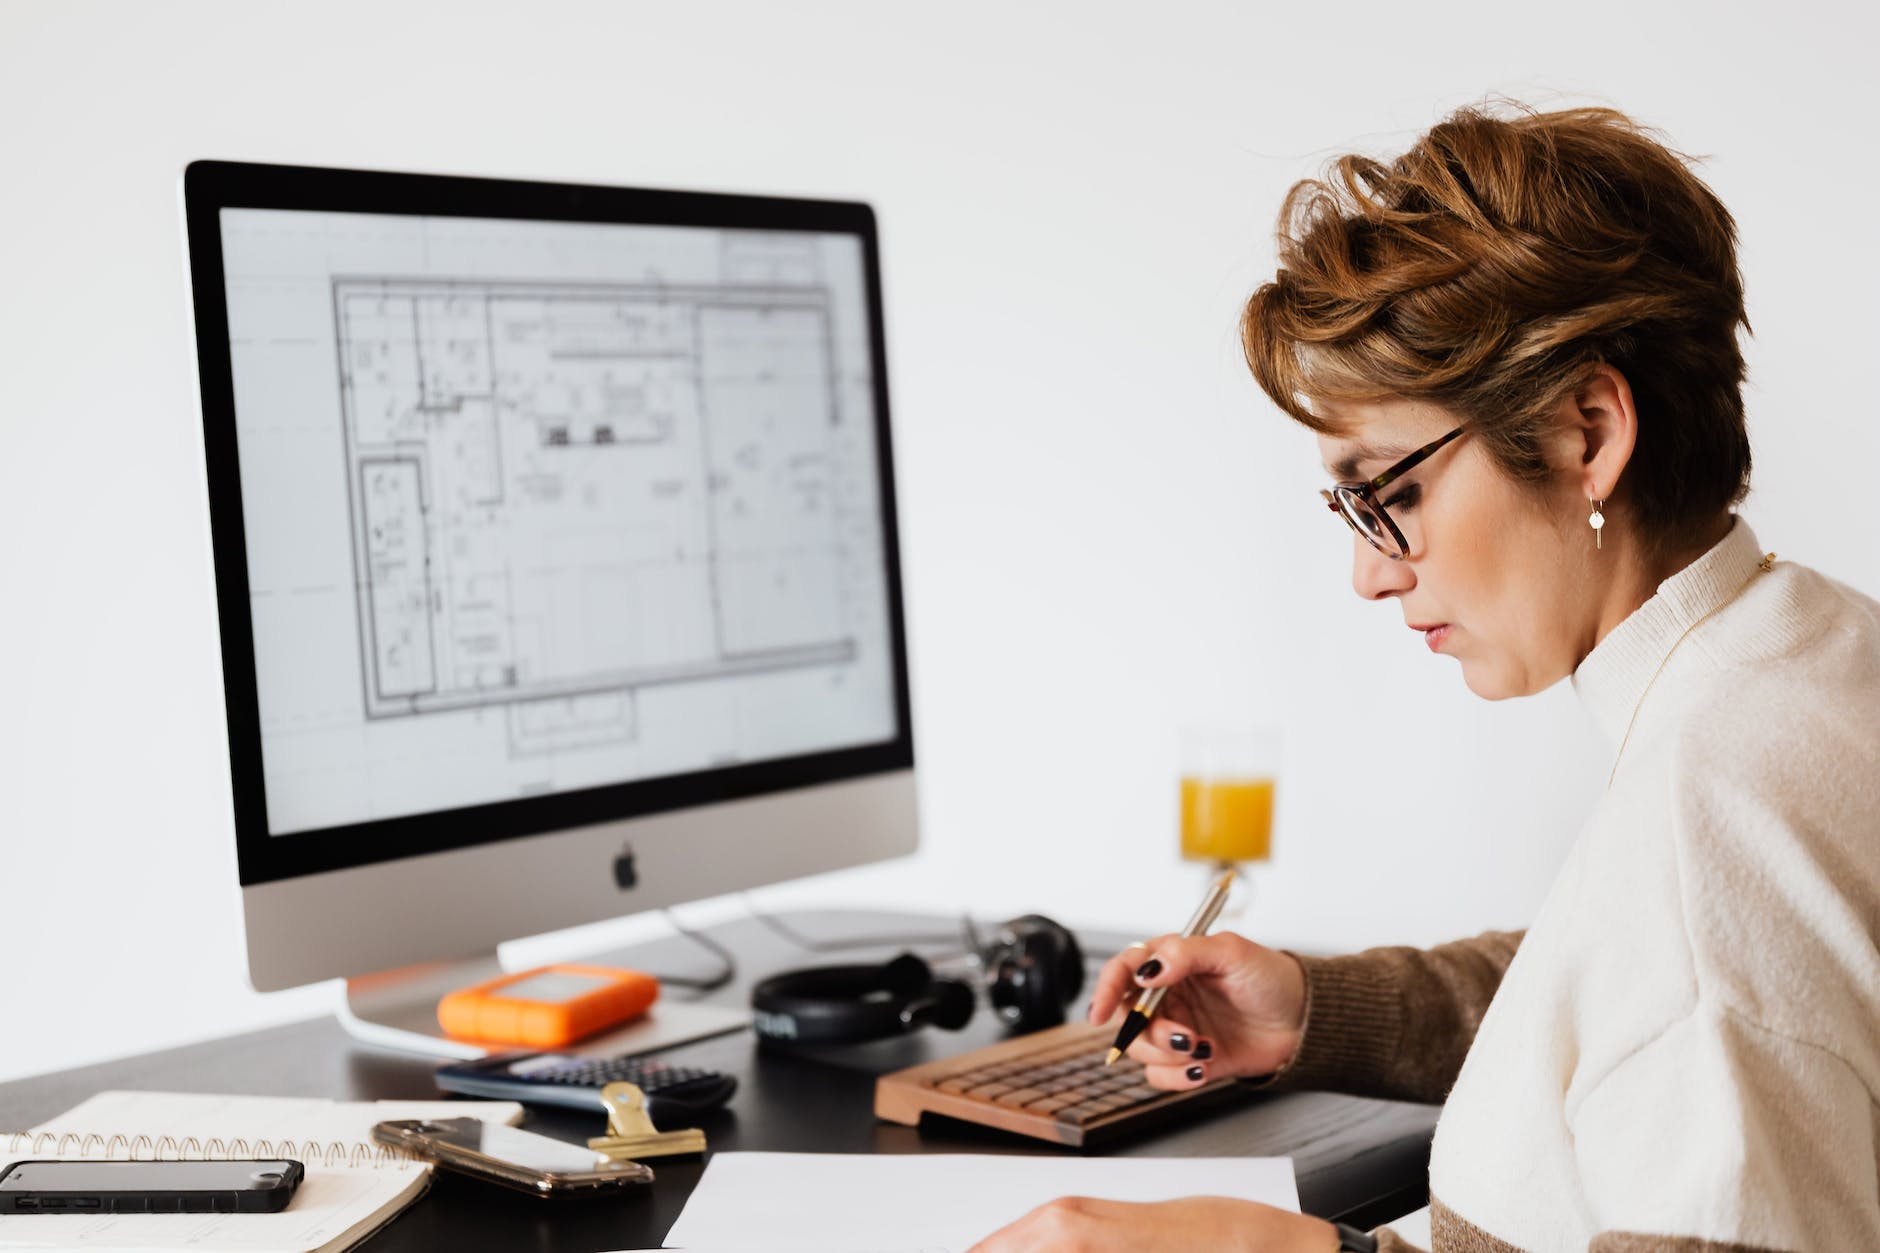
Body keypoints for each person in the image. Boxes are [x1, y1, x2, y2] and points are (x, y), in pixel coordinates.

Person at [968, 103, 1880, 1253]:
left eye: (1385, 494)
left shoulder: (1707, 817)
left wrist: (1298, 1249)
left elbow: (1695, 969)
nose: (1365, 572)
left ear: (1583, 432)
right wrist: (1317, 1008)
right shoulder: (1808, 659)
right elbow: (1638, 993)